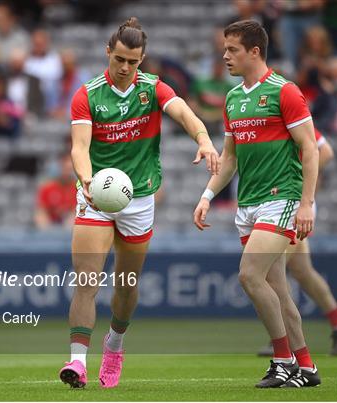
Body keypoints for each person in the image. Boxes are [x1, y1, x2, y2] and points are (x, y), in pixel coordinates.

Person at [59, 17, 220, 389]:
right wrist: (85, 179)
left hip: (139, 198)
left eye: (133, 62)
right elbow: (79, 147)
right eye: (119, 60)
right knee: (87, 280)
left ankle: (115, 343)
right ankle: (77, 362)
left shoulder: (152, 88)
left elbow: (182, 111)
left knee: (127, 285)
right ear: (108, 53)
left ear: (142, 59)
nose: (125, 68)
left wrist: (204, 138)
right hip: (96, 195)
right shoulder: (87, 94)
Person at [193, 20, 320, 388]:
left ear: (254, 51)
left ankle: (283, 361)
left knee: (249, 275)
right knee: (277, 290)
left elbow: (309, 149)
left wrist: (307, 203)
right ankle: (307, 366)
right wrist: (206, 196)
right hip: (247, 204)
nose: (225, 56)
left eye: (232, 49)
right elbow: (229, 157)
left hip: (281, 199)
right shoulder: (234, 99)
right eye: (225, 49)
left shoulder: (286, 92)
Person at [258, 128, 337, 357]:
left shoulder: (294, 119)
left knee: (274, 272)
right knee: (303, 271)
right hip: (285, 202)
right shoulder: (274, 119)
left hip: (294, 205)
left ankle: (283, 339)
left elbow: (327, 152)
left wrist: (297, 177)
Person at [34, 152, 77, 229]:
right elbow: (42, 208)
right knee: (39, 215)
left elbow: (77, 210)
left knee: (72, 218)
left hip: (69, 221)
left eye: (69, 169)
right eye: (64, 168)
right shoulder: (47, 187)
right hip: (51, 219)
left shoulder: (78, 189)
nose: (66, 172)